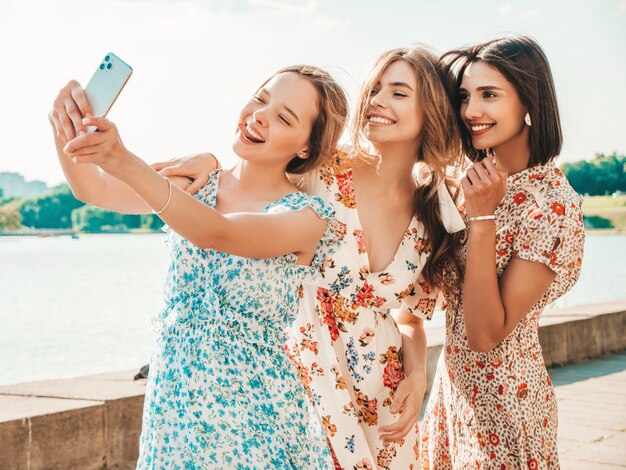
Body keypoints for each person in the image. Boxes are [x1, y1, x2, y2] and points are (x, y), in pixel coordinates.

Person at [156, 46, 466, 469]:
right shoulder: (324, 169)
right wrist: (210, 160)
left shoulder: (435, 211)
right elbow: (253, 166)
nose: (376, 100)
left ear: (431, 109)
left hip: (381, 394)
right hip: (299, 375)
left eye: (397, 92)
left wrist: (416, 374)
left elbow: (411, 318)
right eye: (375, 88)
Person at [49, 64, 348, 468]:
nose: (260, 114)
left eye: (283, 117)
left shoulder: (307, 216)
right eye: (261, 98)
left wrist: (122, 159)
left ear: (306, 148)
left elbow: (217, 233)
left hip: (256, 421)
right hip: (173, 411)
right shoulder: (195, 182)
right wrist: (64, 127)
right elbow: (92, 188)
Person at [420, 36, 585, 469]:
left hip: (506, 404)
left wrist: (482, 219)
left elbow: (485, 334)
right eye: (465, 96)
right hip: (451, 392)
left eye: (489, 95)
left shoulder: (551, 204)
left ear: (529, 100)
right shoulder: (469, 181)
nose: (471, 111)